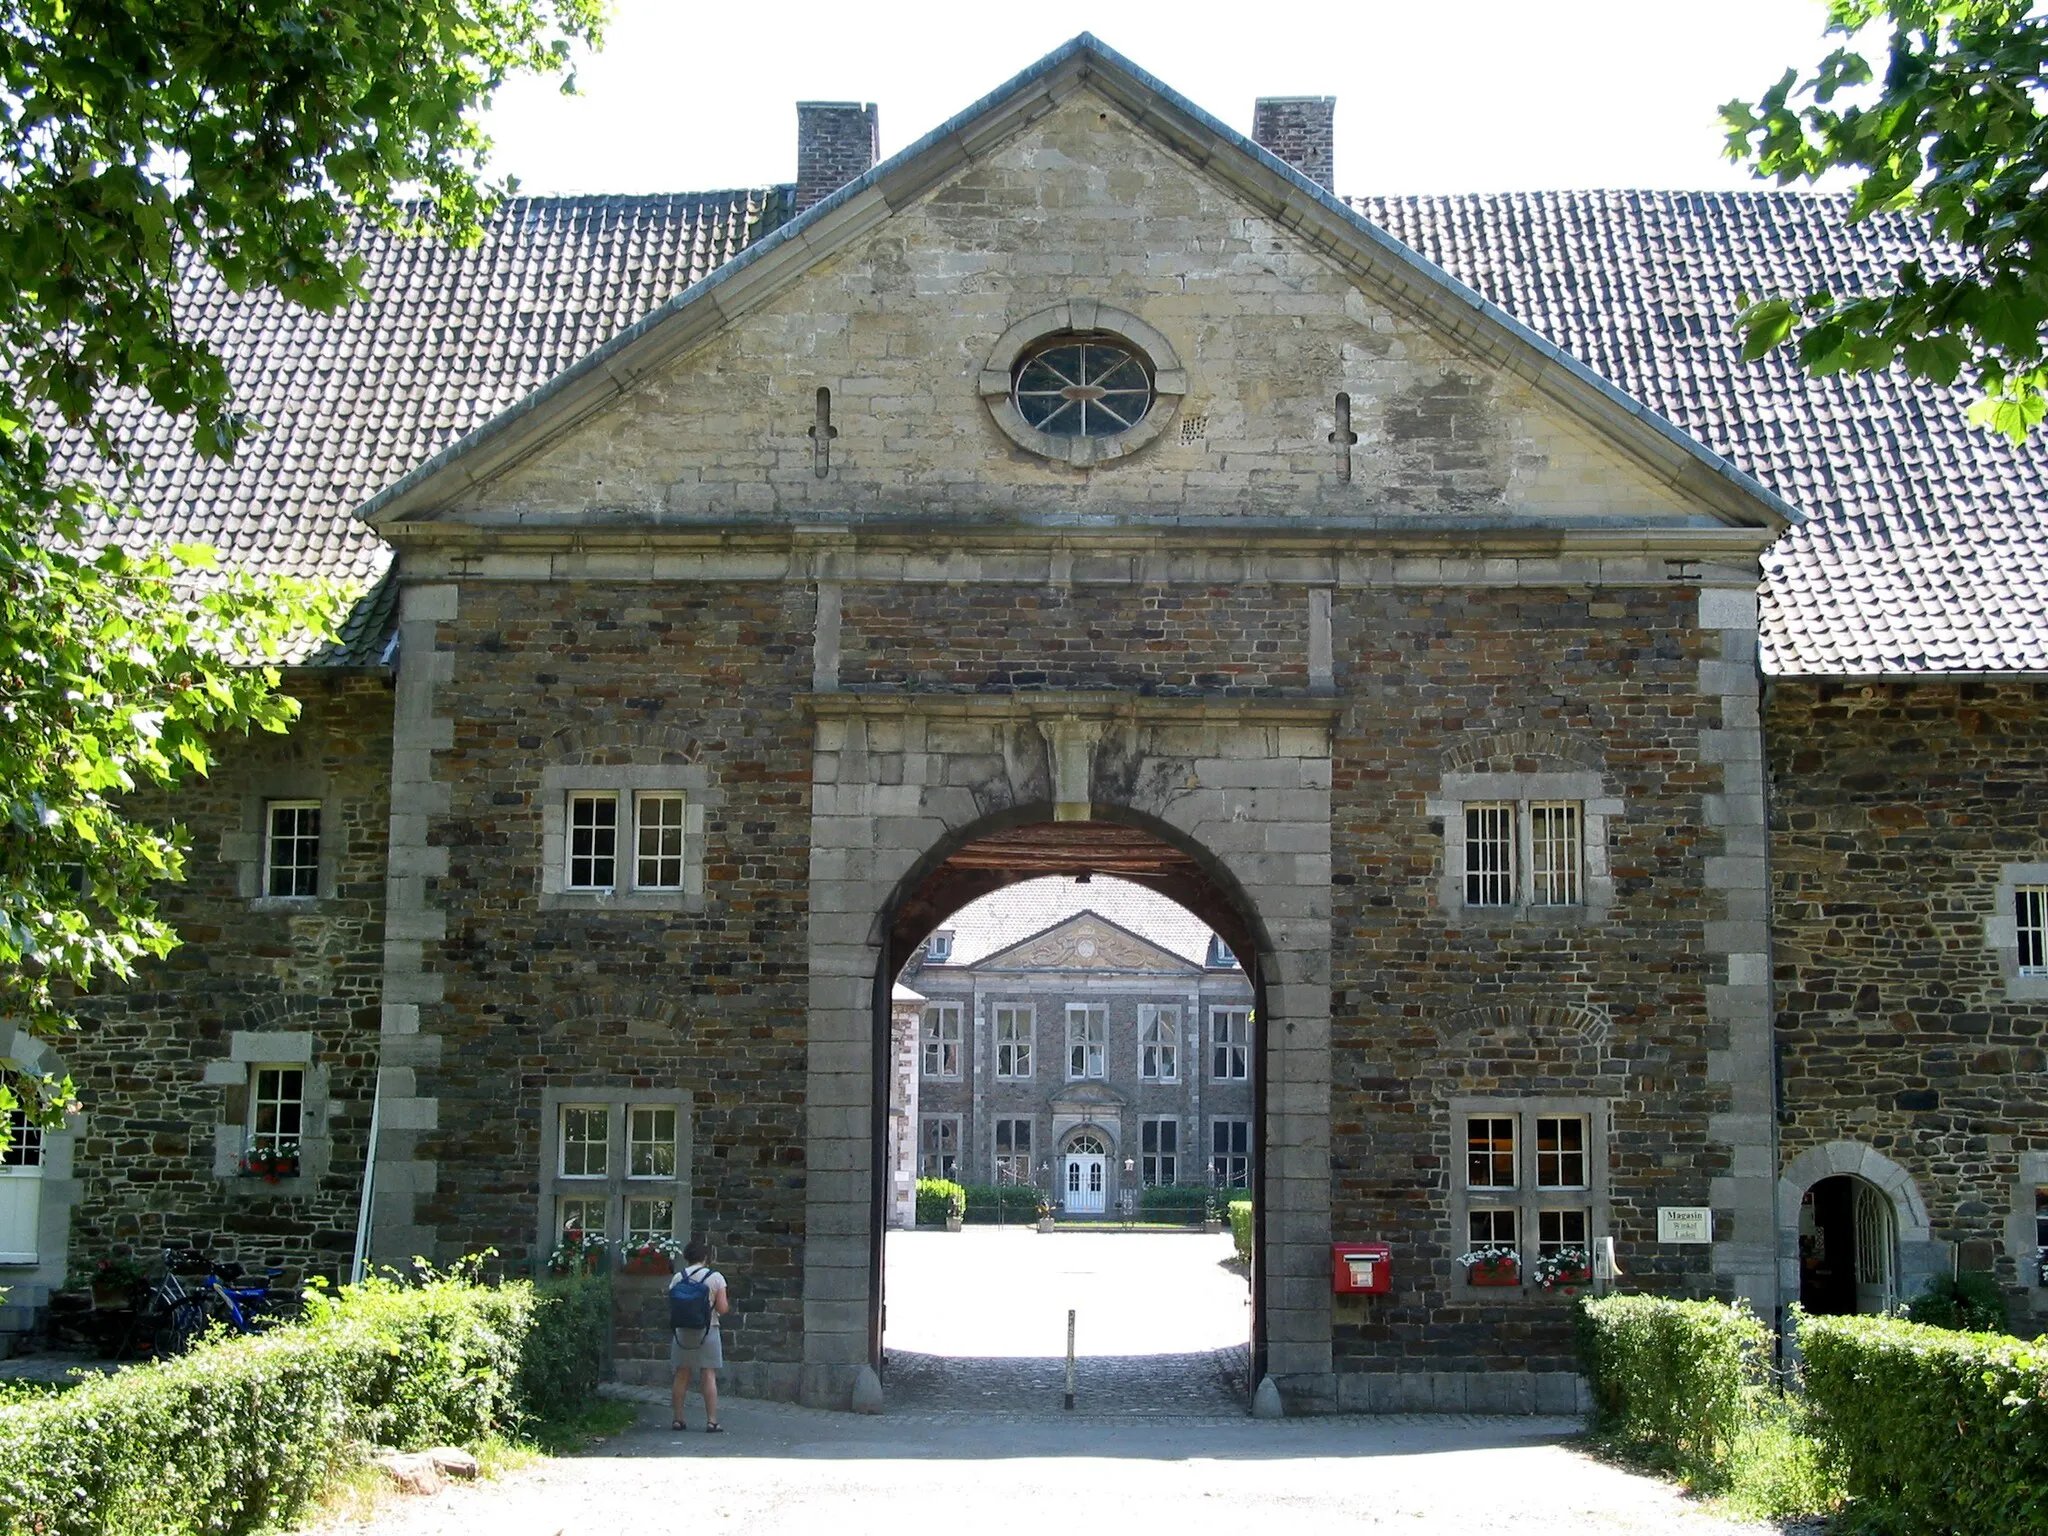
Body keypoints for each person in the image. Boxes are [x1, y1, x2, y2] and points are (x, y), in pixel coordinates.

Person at [669, 1239, 729, 1432]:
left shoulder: (678, 1277)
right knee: (708, 1374)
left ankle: (678, 1419)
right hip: (708, 1329)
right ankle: (712, 1420)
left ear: (687, 1257)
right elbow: (722, 1307)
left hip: (682, 1331)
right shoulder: (716, 1278)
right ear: (705, 1257)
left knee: (681, 1374)